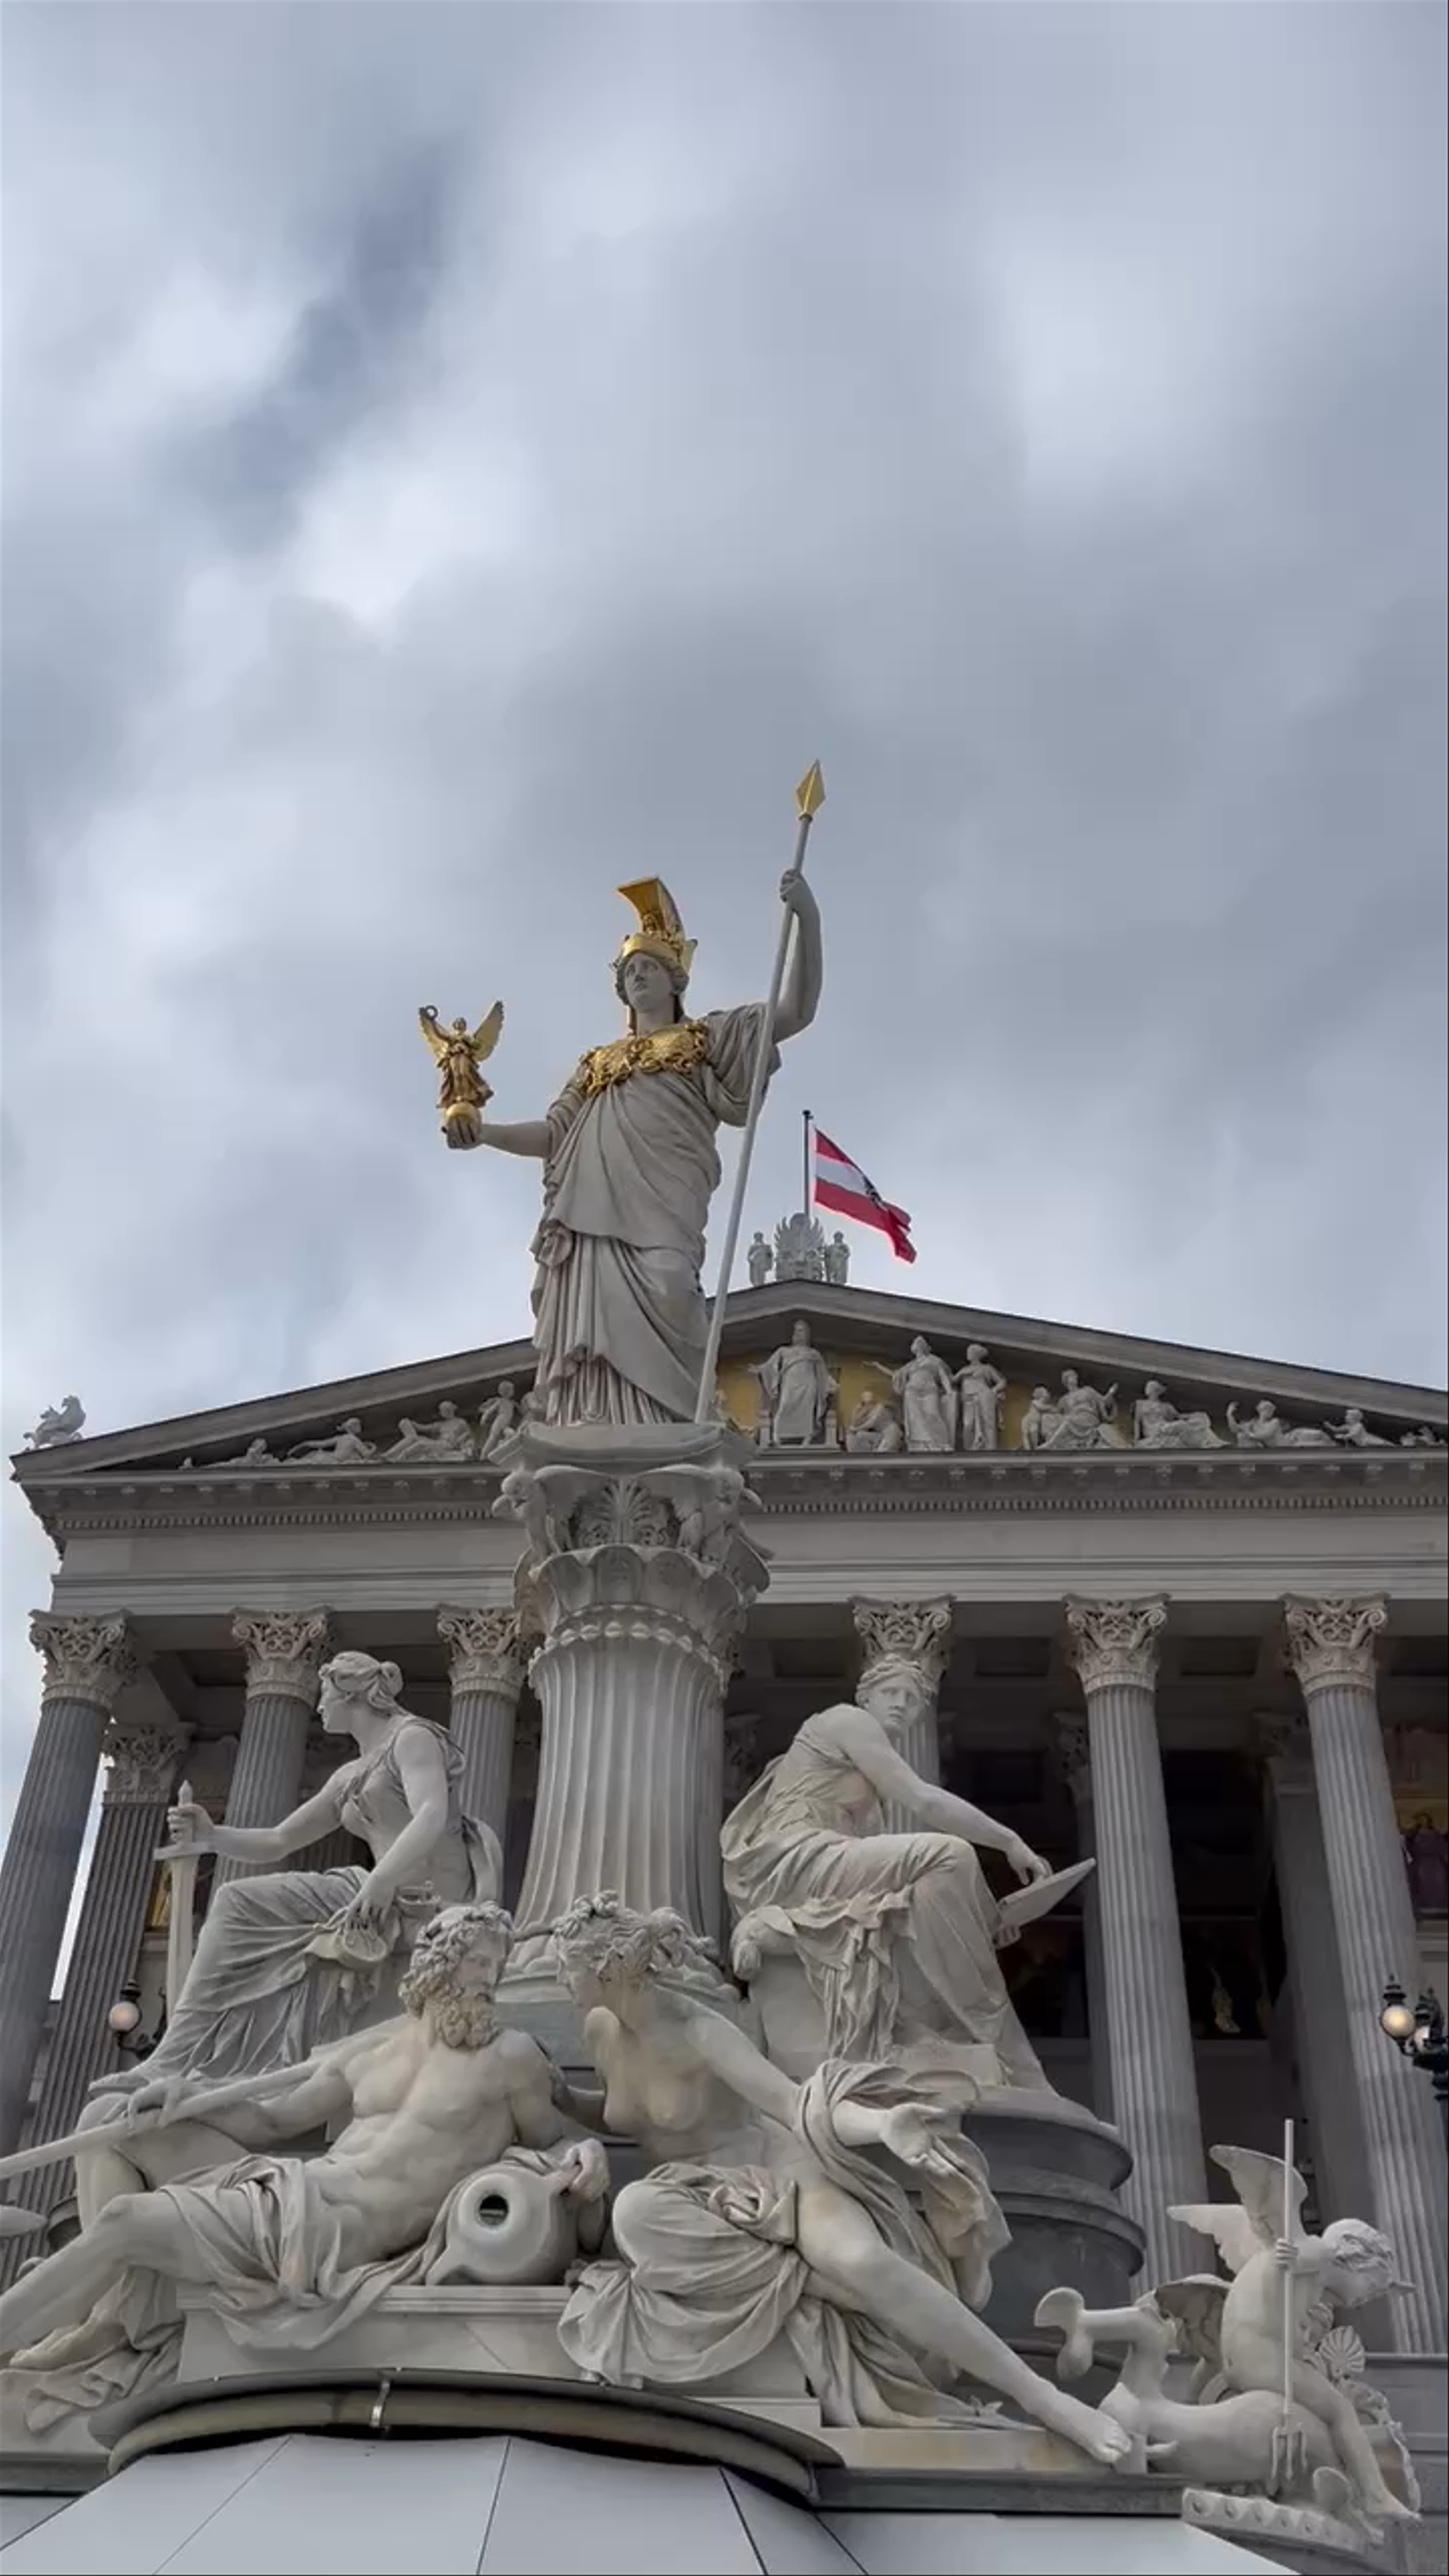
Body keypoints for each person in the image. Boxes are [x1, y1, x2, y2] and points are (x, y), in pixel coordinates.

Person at [551, 1896, 1132, 2465]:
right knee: (634, 2212)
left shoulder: (703, 2031)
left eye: (568, 1966)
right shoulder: (601, 2030)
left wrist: (882, 2124)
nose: (560, 1978)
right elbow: (623, 2111)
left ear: (608, 1968)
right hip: (692, 2189)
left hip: (775, 2169)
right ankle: (812, 2281)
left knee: (862, 2260)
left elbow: (795, 2101)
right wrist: (561, 2101)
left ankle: (1047, 2399)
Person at [0, 1906, 606, 2371]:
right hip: (289, 2188)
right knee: (110, 2118)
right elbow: (270, 2120)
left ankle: (76, 2319)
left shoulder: (511, 2056)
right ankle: (116, 2311)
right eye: (479, 1961)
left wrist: (589, 2155)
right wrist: (184, 2093)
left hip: (333, 2231)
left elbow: (551, 2149)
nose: (491, 1977)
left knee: (128, 2221)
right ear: (440, 1962)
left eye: (497, 1965)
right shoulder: (372, 2052)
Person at [81, 1653, 502, 2169]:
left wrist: (382, 1878)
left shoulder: (412, 1738)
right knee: (237, 1899)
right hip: (369, 1892)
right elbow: (282, 1837)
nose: (319, 1704)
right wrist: (212, 1834)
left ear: (353, 1693)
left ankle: (212, 2063)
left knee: (249, 1905)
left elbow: (433, 1813)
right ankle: (174, 2055)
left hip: (423, 1900)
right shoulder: (351, 1773)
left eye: (326, 1692)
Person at [445, 876, 823, 1426]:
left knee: (671, 1286)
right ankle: (598, 1420)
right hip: (592, 1212)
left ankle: (672, 1426)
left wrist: (806, 920)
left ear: (675, 978)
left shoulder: (707, 1038)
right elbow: (554, 1135)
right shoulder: (597, 1064)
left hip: (666, 1198)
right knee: (595, 1325)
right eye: (628, 973)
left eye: (647, 967)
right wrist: (485, 1133)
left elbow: (796, 1010)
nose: (637, 976)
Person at [721, 1657, 1053, 2088]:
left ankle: (975, 2039)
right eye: (891, 1693)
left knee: (935, 1881)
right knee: (950, 1854)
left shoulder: (872, 1804)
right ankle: (990, 2034)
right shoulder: (846, 1720)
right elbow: (923, 1800)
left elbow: (904, 1889)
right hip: (795, 1861)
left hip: (826, 1864)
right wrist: (1008, 1840)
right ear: (865, 1697)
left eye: (912, 1699)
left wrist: (980, 1920)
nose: (901, 1704)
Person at [752, 1318, 835, 1446]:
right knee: (785, 1406)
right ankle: (776, 1436)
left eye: (803, 1331)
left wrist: (831, 1384)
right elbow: (769, 1366)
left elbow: (823, 1374)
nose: (799, 1334)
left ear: (808, 1335)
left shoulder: (814, 1354)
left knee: (808, 1411)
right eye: (797, 1331)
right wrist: (758, 1370)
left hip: (808, 1385)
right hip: (790, 1385)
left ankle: (807, 1439)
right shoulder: (784, 1351)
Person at [892, 1338, 956, 1452]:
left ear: (923, 1346)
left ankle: (941, 1443)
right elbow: (896, 1376)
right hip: (912, 1391)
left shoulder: (934, 1360)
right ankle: (920, 1446)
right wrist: (878, 1367)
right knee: (915, 1419)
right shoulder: (910, 1365)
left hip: (930, 1390)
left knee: (933, 1414)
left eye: (917, 1343)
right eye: (914, 1344)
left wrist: (949, 1391)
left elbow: (944, 1377)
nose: (915, 1345)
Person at [954, 1346, 1005, 1452]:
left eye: (971, 1352)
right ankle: (970, 1449)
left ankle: (990, 1448)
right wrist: (961, 1374)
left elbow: (1002, 1382)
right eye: (968, 1351)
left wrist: (994, 1391)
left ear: (976, 1355)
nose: (968, 1354)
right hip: (968, 1399)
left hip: (984, 1396)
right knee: (968, 1425)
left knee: (988, 1423)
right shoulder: (965, 1370)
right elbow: (952, 1380)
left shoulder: (987, 1368)